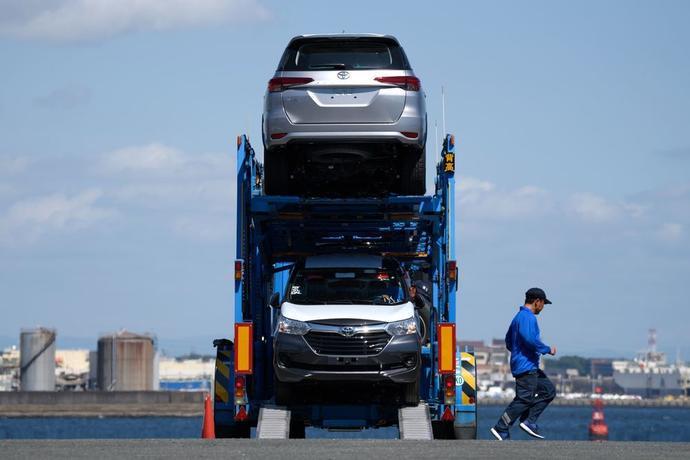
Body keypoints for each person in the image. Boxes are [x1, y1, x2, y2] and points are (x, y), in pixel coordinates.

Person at [490, 287, 557, 441]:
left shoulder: (517, 317)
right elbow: (529, 340)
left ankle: (529, 421)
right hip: (526, 366)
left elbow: (508, 341)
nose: (543, 307)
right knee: (524, 399)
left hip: (528, 365)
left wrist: (517, 351)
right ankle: (501, 427)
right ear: (537, 301)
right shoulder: (528, 317)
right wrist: (547, 350)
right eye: (543, 304)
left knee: (548, 391)